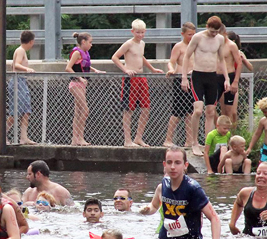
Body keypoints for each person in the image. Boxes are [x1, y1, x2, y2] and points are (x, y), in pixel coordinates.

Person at [139, 146, 223, 239]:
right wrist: (147, 209)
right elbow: (154, 206)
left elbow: (214, 218)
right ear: (164, 165)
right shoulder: (163, 186)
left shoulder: (193, 189)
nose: (173, 167)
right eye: (169, 162)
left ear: (185, 165)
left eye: (177, 163)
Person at [111, 19, 165, 147]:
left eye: (142, 32)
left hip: (141, 77)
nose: (140, 35)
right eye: (138, 32)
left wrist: (152, 69)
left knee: (146, 108)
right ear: (132, 31)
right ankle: (127, 140)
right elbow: (115, 57)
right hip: (131, 78)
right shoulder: (128, 44)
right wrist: (126, 69)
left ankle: (138, 138)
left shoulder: (142, 44)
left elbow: (141, 56)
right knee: (128, 109)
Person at [182, 16, 229, 156]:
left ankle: (207, 144)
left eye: (216, 32)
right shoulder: (198, 37)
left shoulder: (219, 39)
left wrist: (226, 78)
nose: (214, 34)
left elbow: (221, 59)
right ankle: (194, 142)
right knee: (198, 110)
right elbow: (186, 56)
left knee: (210, 111)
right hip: (198, 76)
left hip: (212, 76)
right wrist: (184, 77)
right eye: (212, 31)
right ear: (207, 27)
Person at [66, 32, 105, 146]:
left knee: (78, 112)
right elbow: (68, 68)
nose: (91, 45)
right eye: (90, 42)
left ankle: (75, 139)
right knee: (85, 110)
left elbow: (85, 64)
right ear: (83, 42)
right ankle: (80, 137)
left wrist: (95, 70)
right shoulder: (77, 52)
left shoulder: (84, 53)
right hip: (76, 84)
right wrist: (79, 78)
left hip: (81, 85)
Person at [164, 22, 197, 148]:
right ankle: (168, 139)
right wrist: (172, 69)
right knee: (177, 112)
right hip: (180, 80)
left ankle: (189, 141)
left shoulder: (196, 46)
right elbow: (171, 62)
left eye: (194, 34)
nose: (192, 37)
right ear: (183, 34)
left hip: (193, 79)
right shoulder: (179, 46)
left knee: (190, 112)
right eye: (189, 35)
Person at [7, 30, 37, 145]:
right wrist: (27, 69)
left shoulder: (22, 51)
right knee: (15, 112)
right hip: (17, 82)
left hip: (22, 82)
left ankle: (24, 137)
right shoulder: (20, 50)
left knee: (26, 111)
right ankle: (2, 135)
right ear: (31, 41)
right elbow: (16, 65)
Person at [224, 31, 254, 125]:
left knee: (233, 112)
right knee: (223, 112)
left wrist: (243, 59)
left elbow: (250, 68)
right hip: (224, 82)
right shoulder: (223, 52)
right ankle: (220, 131)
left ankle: (233, 133)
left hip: (234, 83)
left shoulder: (238, 53)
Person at [216, 28, 243, 126]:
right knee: (210, 108)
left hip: (229, 76)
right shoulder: (214, 44)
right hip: (216, 77)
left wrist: (235, 81)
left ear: (224, 33)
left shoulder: (231, 45)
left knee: (229, 111)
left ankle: (229, 135)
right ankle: (216, 131)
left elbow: (239, 63)